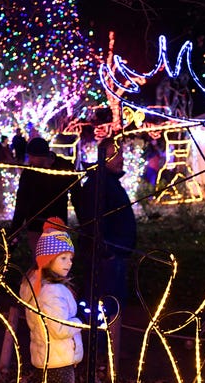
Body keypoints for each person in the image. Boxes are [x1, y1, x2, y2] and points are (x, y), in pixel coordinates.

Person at [19, 217, 83, 383]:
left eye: (70, 257)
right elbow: (59, 329)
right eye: (62, 258)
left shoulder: (34, 284)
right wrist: (80, 321)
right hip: (58, 362)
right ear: (47, 260)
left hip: (43, 359)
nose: (69, 263)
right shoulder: (52, 292)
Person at [72, 138, 137, 365]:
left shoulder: (107, 181)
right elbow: (92, 220)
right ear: (103, 156)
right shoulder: (98, 184)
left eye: (120, 154)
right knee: (104, 301)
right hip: (106, 255)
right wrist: (105, 248)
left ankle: (108, 347)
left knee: (111, 301)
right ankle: (101, 350)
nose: (121, 159)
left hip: (115, 251)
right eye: (115, 154)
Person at [10, 137, 76, 258]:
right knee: (40, 263)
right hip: (36, 225)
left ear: (41, 156)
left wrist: (86, 224)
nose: (29, 160)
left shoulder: (64, 168)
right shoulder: (29, 173)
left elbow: (77, 195)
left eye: (31, 157)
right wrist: (15, 229)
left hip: (57, 224)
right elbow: (22, 202)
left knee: (56, 263)